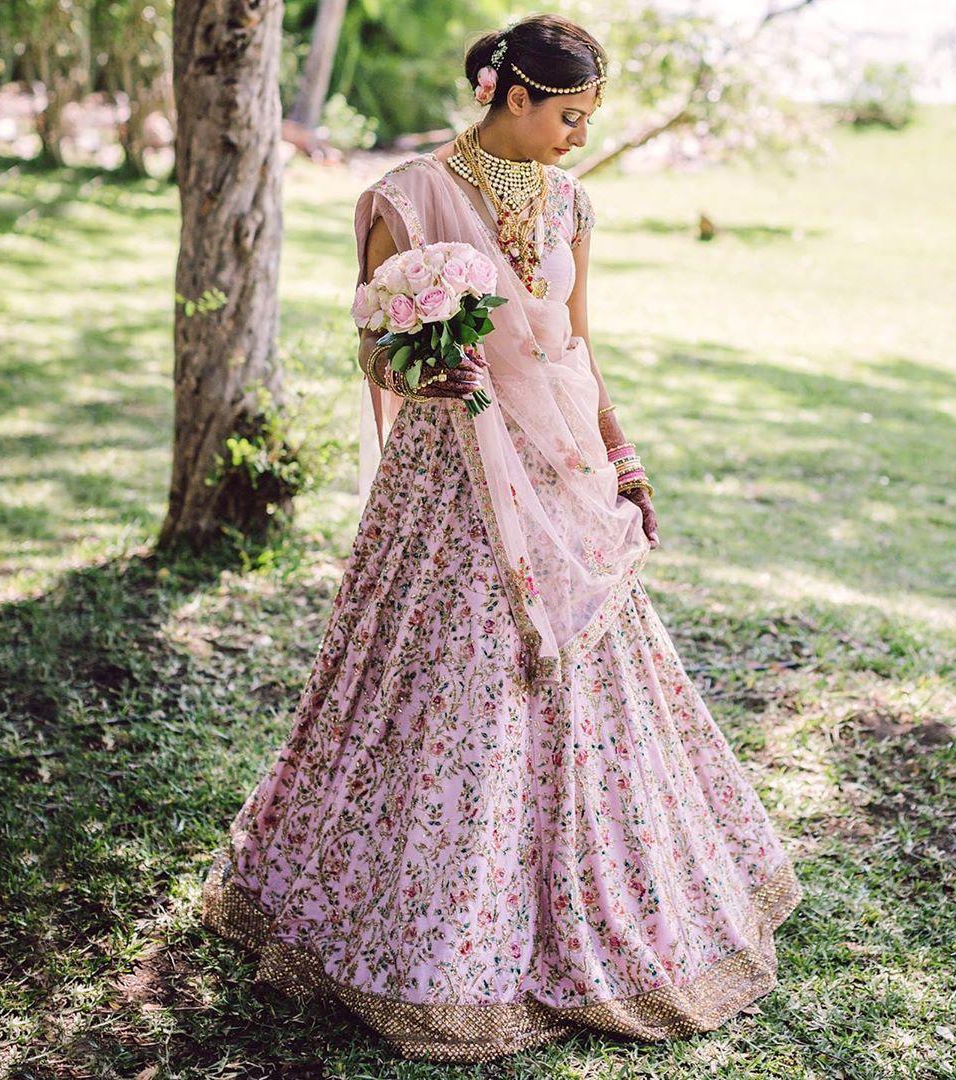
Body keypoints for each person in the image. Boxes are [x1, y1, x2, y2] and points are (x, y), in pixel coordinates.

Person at [200, 13, 803, 1064]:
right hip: (456, 490)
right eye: (568, 115)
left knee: (587, 683)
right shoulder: (407, 198)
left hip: (563, 474)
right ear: (510, 95)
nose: (577, 136)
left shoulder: (572, 201)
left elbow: (580, 344)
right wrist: (422, 368)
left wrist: (624, 460)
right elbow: (376, 352)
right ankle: (439, 933)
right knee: (462, 682)